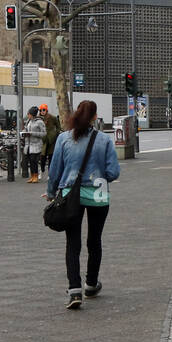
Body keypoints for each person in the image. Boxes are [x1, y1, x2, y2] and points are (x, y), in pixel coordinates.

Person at [45, 100, 120, 310]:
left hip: (71, 195)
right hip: (98, 193)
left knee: (73, 243)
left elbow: (54, 171)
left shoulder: (63, 139)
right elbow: (113, 172)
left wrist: (52, 194)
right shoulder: (104, 140)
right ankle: (91, 284)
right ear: (95, 117)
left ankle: (74, 290)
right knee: (94, 240)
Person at [23, 106, 46, 184]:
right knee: (30, 161)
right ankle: (32, 176)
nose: (28, 115)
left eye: (29, 113)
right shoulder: (28, 121)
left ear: (32, 114)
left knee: (34, 161)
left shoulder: (39, 122)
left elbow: (44, 133)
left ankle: (36, 176)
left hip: (36, 144)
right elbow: (26, 129)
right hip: (28, 144)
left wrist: (32, 133)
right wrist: (24, 133)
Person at [40, 103, 60, 171]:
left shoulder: (52, 117)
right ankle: (42, 169)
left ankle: (50, 171)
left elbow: (58, 126)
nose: (42, 111)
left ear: (46, 110)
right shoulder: (39, 118)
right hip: (43, 139)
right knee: (43, 156)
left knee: (51, 156)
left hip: (51, 139)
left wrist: (55, 134)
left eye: (43, 110)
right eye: (41, 110)